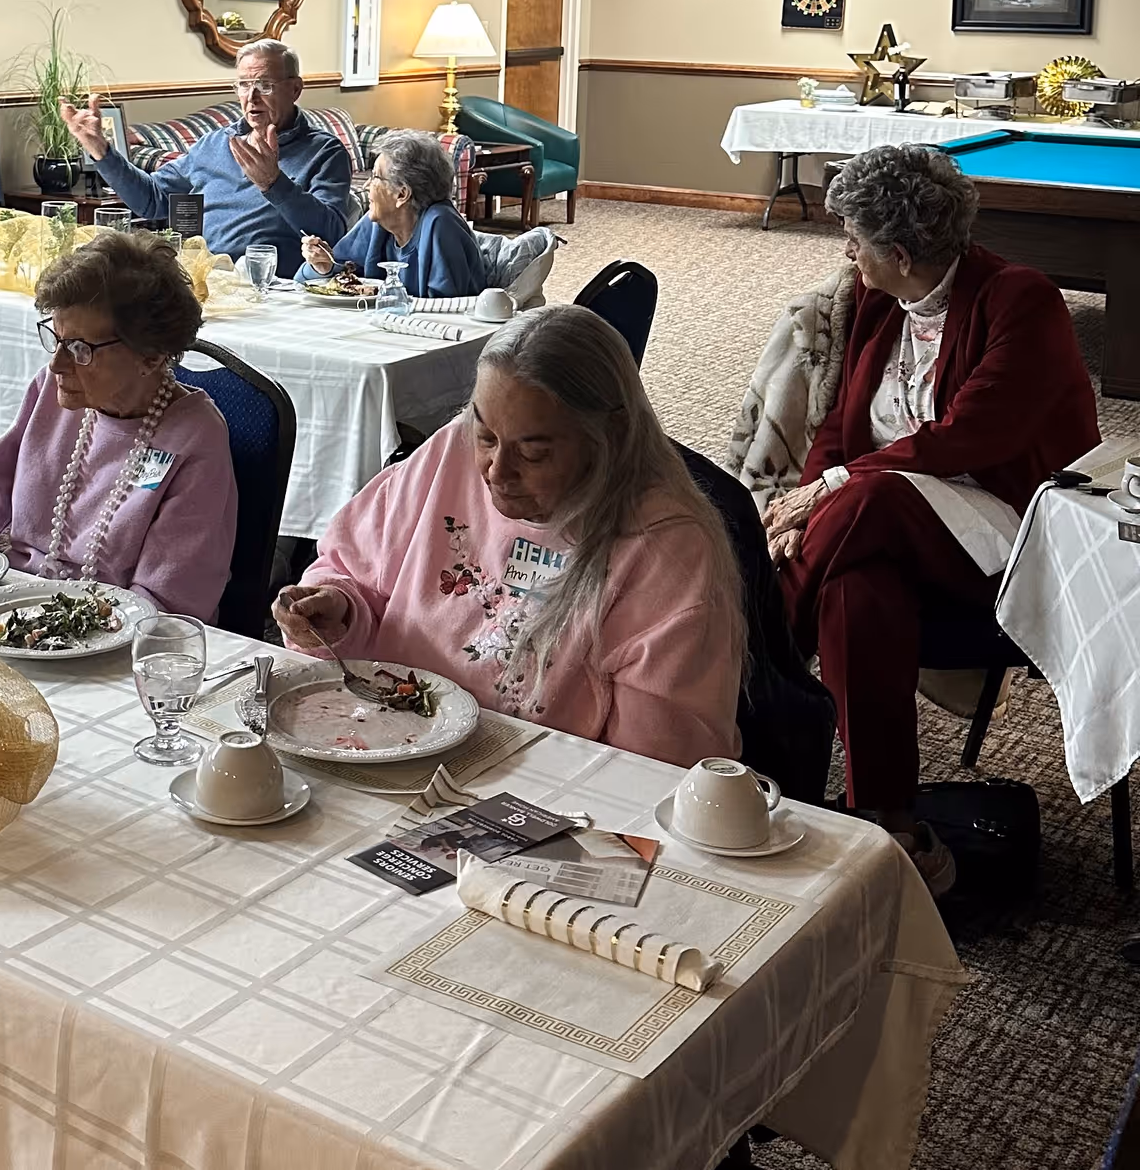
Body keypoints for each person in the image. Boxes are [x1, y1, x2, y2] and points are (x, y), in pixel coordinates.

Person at [768, 143, 1099, 893]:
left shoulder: (1021, 300)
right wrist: (817, 489)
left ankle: (760, 678)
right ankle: (888, 820)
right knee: (858, 592)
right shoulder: (879, 301)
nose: (846, 252)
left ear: (900, 250)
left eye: (854, 238)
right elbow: (843, 430)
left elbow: (970, 437)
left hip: (1012, 527)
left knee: (871, 497)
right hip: (876, 521)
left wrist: (823, 496)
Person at [275, 305, 744, 768]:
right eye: (485, 435)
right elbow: (354, 572)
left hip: (540, 798)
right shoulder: (449, 454)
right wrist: (337, 609)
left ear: (610, 438)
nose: (497, 471)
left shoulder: (667, 551)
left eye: (534, 453)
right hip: (382, 743)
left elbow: (651, 770)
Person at [0, 231, 237, 621]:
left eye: (80, 348)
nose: (58, 364)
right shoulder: (53, 394)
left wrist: (46, 629)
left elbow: (166, 606)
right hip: (13, 615)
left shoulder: (194, 438)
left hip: (113, 646)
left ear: (151, 355)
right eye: (55, 338)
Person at [60, 39, 350, 268]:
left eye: (264, 85)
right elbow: (150, 201)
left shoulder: (324, 152)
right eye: (243, 85)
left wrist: (274, 184)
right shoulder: (214, 145)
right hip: (208, 283)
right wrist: (102, 152)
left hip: (276, 289)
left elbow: (332, 232)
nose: (251, 97)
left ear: (295, 89)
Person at [297, 130, 485, 298]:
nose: (366, 186)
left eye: (375, 177)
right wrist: (322, 268)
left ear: (402, 194)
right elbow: (315, 280)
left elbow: (448, 308)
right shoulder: (378, 222)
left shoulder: (441, 224)